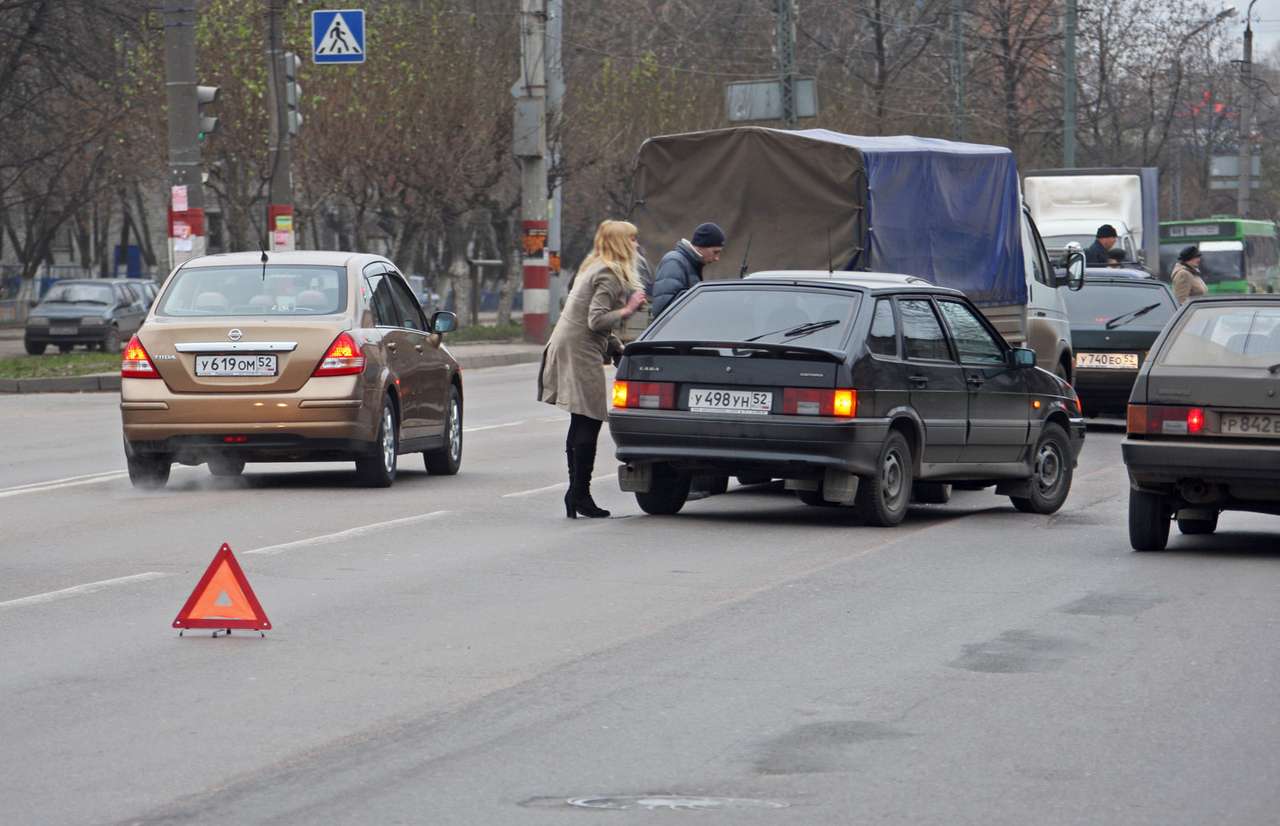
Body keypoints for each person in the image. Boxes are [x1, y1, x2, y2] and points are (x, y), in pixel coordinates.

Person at [538, 219, 647, 519]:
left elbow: (591, 320)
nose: (637, 245)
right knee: (590, 418)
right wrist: (629, 308)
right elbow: (596, 320)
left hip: (572, 344)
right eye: (633, 240)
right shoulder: (609, 274)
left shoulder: (594, 265)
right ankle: (579, 494)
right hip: (579, 350)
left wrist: (615, 348)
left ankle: (576, 494)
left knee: (581, 420)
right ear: (621, 243)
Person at [649, 222, 726, 318]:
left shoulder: (690, 263)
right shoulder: (674, 261)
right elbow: (664, 308)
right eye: (715, 252)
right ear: (702, 245)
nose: (717, 258)